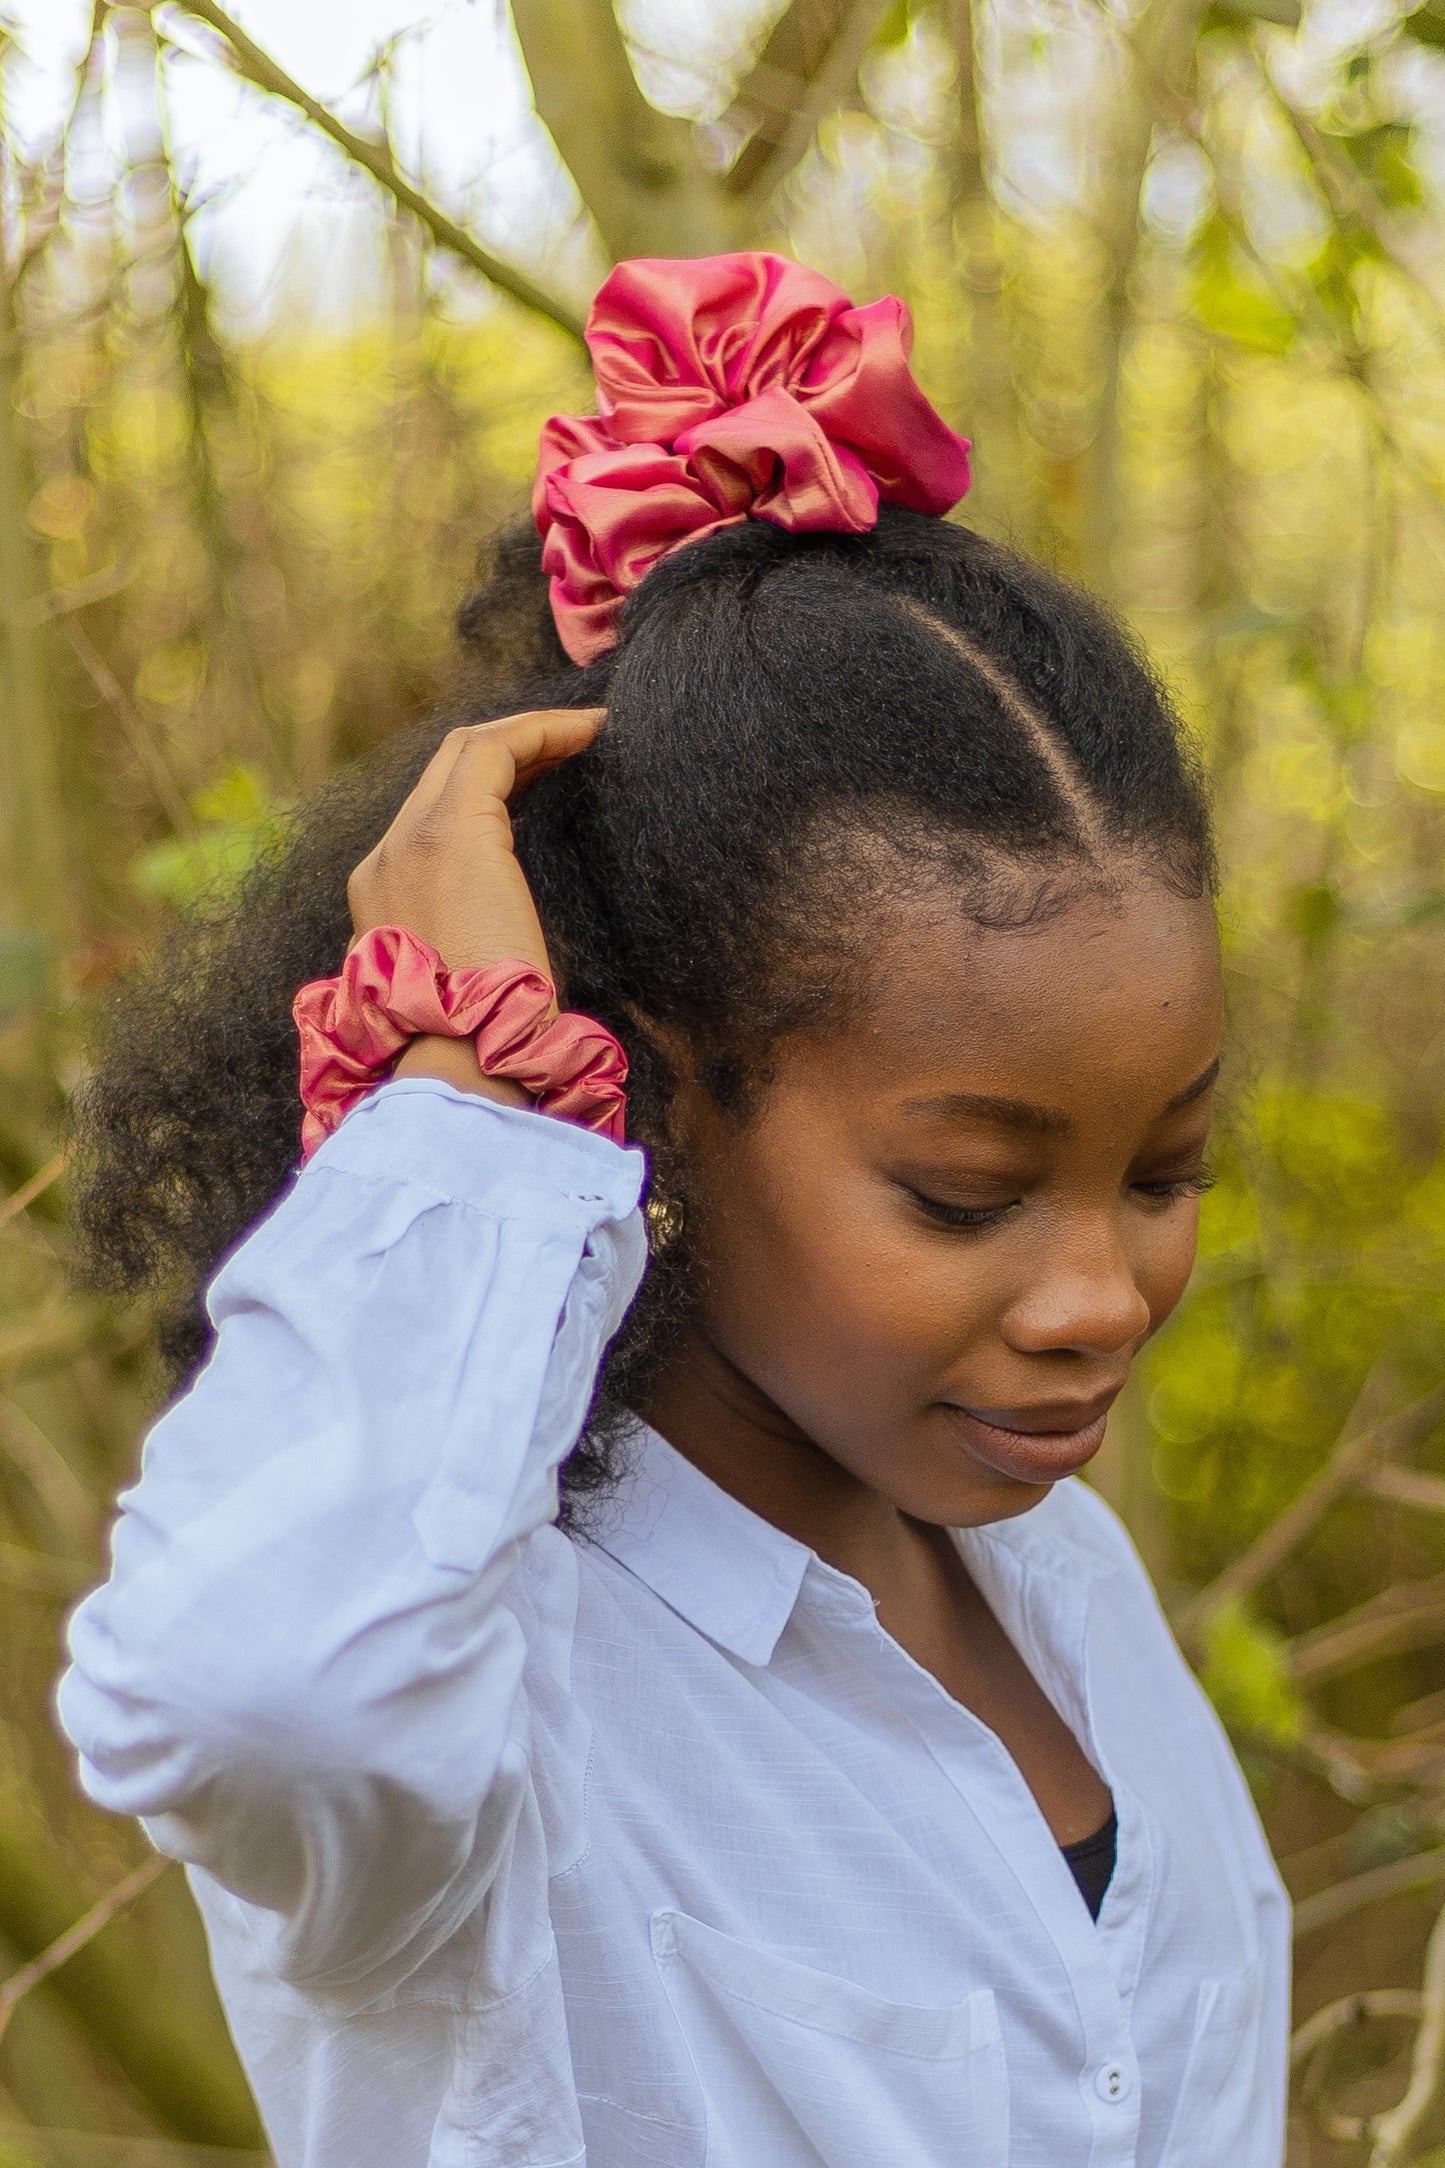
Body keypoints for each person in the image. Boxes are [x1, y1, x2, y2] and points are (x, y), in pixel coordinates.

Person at [57, 252, 1289, 2168]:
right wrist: (469, 1105)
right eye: (965, 1194)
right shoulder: (481, 1696)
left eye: (1160, 1173)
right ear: (660, 1093)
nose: (1100, 1297)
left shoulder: (1063, 1586)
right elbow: (247, 1693)